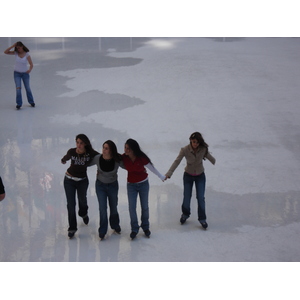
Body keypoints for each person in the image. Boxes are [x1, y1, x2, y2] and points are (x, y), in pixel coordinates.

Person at [165, 132, 216, 229]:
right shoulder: (185, 150)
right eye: (193, 142)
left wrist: (214, 161)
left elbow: (210, 157)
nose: (195, 144)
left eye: (197, 142)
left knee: (200, 197)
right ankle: (185, 214)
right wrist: (169, 173)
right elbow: (177, 161)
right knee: (187, 196)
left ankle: (202, 219)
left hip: (200, 176)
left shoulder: (203, 149)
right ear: (190, 141)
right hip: (188, 175)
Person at [122, 139, 166, 240]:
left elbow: (151, 168)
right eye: (125, 147)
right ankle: (134, 228)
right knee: (132, 207)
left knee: (145, 206)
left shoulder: (141, 158)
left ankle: (145, 227)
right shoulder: (123, 157)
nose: (126, 150)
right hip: (131, 185)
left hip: (143, 184)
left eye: (128, 148)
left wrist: (161, 176)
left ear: (133, 149)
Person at [61, 134, 99, 238]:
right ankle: (72, 228)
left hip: (82, 181)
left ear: (85, 144)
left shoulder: (90, 153)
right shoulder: (72, 151)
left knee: (82, 200)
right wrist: (63, 160)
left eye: (81, 143)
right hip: (69, 180)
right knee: (71, 204)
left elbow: (101, 157)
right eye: (77, 142)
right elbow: (66, 157)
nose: (79, 145)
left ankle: (83, 213)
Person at [89, 140, 122, 240]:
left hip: (113, 185)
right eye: (103, 147)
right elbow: (85, 163)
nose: (104, 150)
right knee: (102, 208)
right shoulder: (97, 158)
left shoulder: (117, 160)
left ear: (111, 150)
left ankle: (115, 225)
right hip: (100, 186)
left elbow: (129, 166)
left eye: (106, 148)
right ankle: (102, 230)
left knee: (113, 206)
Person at [4, 41, 35, 109]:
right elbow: (5, 52)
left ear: (22, 47)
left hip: (25, 74)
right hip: (17, 73)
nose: (19, 49)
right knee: (18, 88)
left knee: (27, 88)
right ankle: (19, 103)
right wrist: (12, 46)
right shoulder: (15, 53)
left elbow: (31, 64)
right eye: (17, 48)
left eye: (19, 48)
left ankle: (31, 101)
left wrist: (29, 70)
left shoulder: (27, 54)